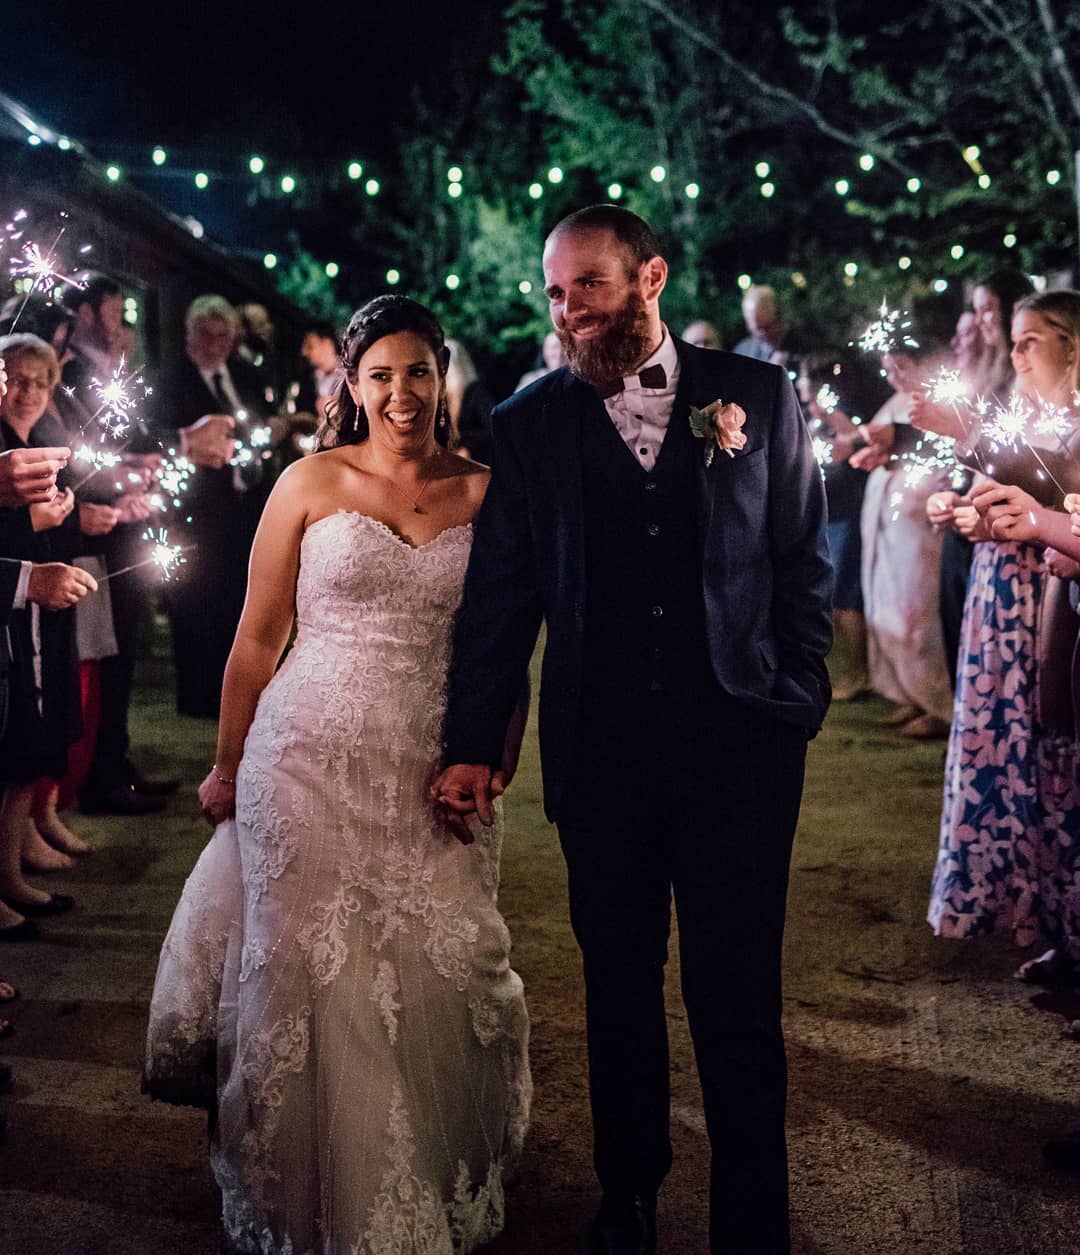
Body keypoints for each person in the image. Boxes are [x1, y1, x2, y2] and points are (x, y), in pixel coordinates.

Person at [434, 205, 831, 1255]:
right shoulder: (524, 424)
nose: (570, 314)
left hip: (740, 748)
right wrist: (473, 737)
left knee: (737, 990)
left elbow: (802, 558)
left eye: (592, 287)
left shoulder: (756, 396)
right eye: (557, 294)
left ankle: (753, 1215)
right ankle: (630, 1193)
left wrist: (797, 696)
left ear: (651, 276)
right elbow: (501, 601)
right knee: (617, 985)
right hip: (601, 755)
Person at [144, 295, 530, 1253]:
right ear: (351, 387)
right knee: (322, 974)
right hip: (302, 758)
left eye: (419, 372)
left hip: (426, 769)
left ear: (445, 378)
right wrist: (227, 764)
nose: (402, 394)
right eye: (380, 376)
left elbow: (505, 642)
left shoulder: (488, 489)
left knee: (445, 966)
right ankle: (321, 1200)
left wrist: (497, 749)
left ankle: (421, 1172)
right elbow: (256, 637)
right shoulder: (306, 483)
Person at [928, 289, 1080, 963]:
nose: (1014, 354)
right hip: (998, 598)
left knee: (1049, 756)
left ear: (1071, 346)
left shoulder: (1074, 423)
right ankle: (1029, 908)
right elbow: (1006, 496)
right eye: (1011, 341)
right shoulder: (1019, 414)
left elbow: (1053, 496)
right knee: (1006, 749)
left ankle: (1058, 917)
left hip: (1044, 601)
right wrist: (962, 511)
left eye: (1030, 341)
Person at [155, 294, 274, 718]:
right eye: (206, 335)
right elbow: (154, 435)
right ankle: (200, 696)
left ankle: (237, 693)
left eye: (223, 336)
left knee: (237, 602)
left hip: (246, 507)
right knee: (196, 604)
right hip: (196, 511)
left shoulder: (244, 374)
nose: (215, 343)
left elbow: (266, 420)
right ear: (190, 335)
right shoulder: (170, 378)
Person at [850, 315, 956, 738]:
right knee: (891, 607)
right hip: (889, 524)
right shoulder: (895, 402)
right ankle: (909, 694)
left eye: (902, 367)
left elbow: (944, 456)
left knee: (919, 615)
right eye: (889, 368)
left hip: (918, 523)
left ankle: (937, 702)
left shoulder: (940, 401)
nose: (894, 376)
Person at [298, 317, 343, 420]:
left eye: (310, 346)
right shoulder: (310, 379)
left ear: (327, 344)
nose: (304, 352)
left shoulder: (351, 376)